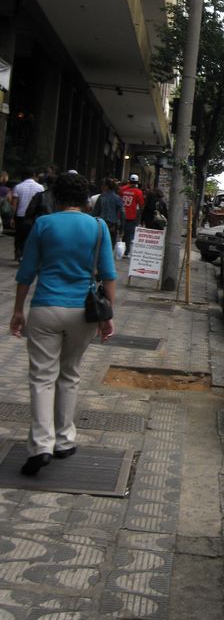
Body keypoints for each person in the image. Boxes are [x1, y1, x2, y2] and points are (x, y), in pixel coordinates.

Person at [9, 172, 116, 475]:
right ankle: (64, 440)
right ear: (85, 200)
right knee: (69, 374)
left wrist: (18, 311)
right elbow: (108, 273)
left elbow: (26, 273)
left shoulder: (44, 224)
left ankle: (41, 445)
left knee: (42, 377)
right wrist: (108, 317)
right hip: (82, 312)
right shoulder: (98, 226)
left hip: (45, 309)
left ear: (55, 197)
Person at [11, 169, 44, 262]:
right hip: (33, 216)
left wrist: (12, 218)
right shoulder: (40, 187)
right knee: (30, 236)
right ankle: (27, 255)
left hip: (20, 215)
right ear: (33, 175)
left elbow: (14, 204)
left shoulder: (18, 187)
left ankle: (18, 253)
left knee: (19, 235)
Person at [94, 178, 125, 248]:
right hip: (112, 226)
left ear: (106, 186)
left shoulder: (101, 197)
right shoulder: (118, 198)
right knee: (110, 246)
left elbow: (95, 212)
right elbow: (122, 214)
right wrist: (121, 229)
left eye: (103, 185)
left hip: (100, 225)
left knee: (100, 245)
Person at [119, 174, 144, 258]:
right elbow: (141, 204)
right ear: (137, 182)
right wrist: (141, 216)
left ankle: (119, 249)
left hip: (121, 214)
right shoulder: (138, 192)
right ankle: (126, 252)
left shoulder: (122, 189)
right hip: (131, 216)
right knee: (128, 234)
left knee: (120, 233)